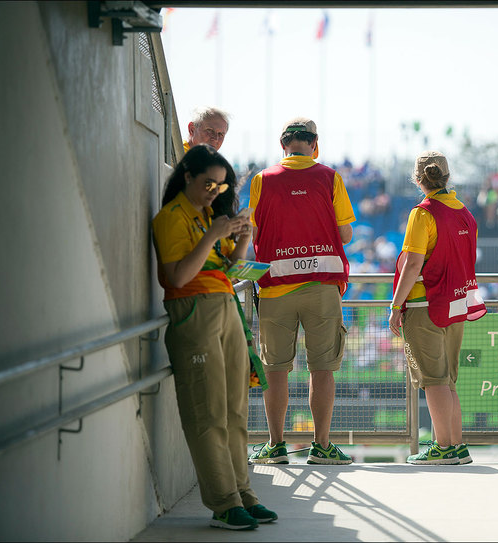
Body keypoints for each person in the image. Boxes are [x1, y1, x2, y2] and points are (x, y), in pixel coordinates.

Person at [151, 144, 277, 530]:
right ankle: (224, 503)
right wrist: (213, 235)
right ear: (187, 176)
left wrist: (242, 235)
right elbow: (177, 276)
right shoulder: (171, 218)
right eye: (208, 183)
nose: (213, 192)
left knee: (235, 412)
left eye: (220, 188)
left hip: (225, 307)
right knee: (206, 413)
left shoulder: (209, 216)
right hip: (193, 310)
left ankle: (243, 494)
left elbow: (231, 268)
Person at [247, 117, 355, 465]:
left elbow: (253, 232)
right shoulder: (330, 177)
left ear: (283, 145)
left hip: (276, 289)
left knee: (276, 370)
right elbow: (346, 235)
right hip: (322, 287)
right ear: (314, 143)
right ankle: (321, 447)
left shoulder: (262, 180)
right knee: (321, 370)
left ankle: (275, 446)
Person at [388, 151, 486, 465]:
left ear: (418, 179)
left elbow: (414, 262)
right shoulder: (464, 211)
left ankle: (443, 449)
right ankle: (456, 446)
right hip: (457, 303)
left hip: (424, 304)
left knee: (433, 381)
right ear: (447, 176)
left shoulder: (423, 212)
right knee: (447, 380)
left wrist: (396, 305)